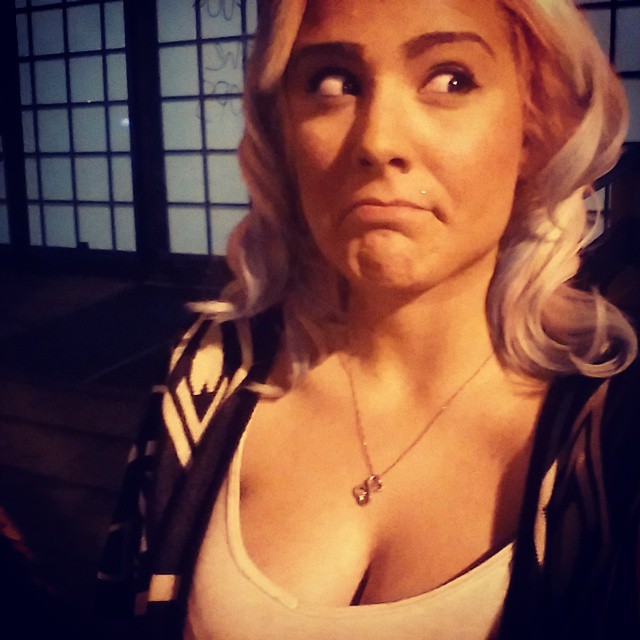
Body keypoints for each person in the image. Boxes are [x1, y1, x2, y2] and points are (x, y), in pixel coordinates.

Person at [97, 1, 640, 638]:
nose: (379, 142)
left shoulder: (612, 440)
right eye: (333, 83)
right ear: (283, 131)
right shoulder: (208, 379)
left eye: (451, 79)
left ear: (533, 129)